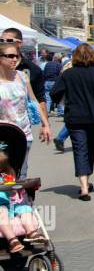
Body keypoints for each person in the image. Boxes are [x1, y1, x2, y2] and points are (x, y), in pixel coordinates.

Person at [51, 44, 94, 201]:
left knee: (80, 150)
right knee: (91, 149)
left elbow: (54, 93)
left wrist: (64, 101)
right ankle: (86, 183)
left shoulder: (68, 74)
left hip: (75, 118)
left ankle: (84, 185)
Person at [0, 42, 52, 181]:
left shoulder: (22, 76)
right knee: (4, 177)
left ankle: (20, 202)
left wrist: (45, 124)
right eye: (10, 56)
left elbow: (34, 101)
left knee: (20, 176)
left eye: (17, 56)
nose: (14, 59)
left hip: (22, 134)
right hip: (2, 135)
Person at [1, 29, 47, 121]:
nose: (3, 43)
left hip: (21, 128)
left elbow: (39, 99)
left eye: (8, 40)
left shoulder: (32, 69)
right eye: (1, 40)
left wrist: (45, 124)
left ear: (19, 43)